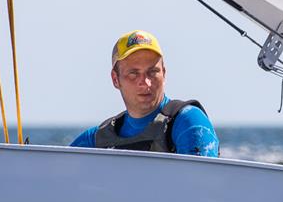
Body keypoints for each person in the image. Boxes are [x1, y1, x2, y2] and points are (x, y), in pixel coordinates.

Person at [70, 30, 219, 156]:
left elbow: (203, 184)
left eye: (153, 72)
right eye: (134, 74)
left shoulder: (188, 121)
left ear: (164, 73)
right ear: (115, 79)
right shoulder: (96, 139)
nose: (146, 82)